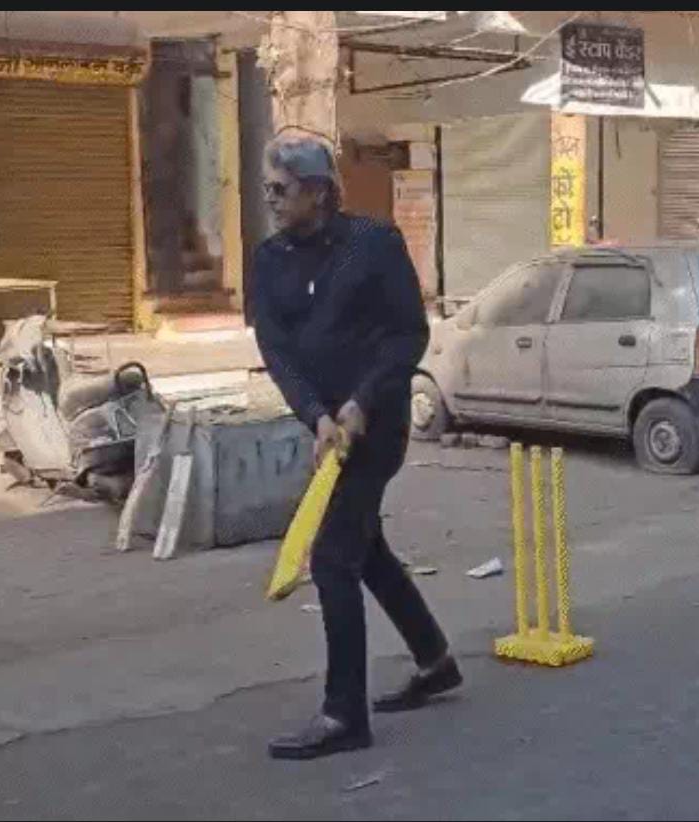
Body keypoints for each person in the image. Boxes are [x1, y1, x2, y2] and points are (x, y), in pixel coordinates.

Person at [248, 134, 462, 761]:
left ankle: (344, 715)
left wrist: (362, 402)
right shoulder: (268, 260)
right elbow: (276, 350)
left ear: (318, 191)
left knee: (333, 559)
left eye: (281, 189)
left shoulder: (374, 244)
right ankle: (435, 659)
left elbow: (406, 335)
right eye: (266, 188)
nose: (270, 199)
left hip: (376, 426)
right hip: (326, 430)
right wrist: (315, 414)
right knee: (366, 550)